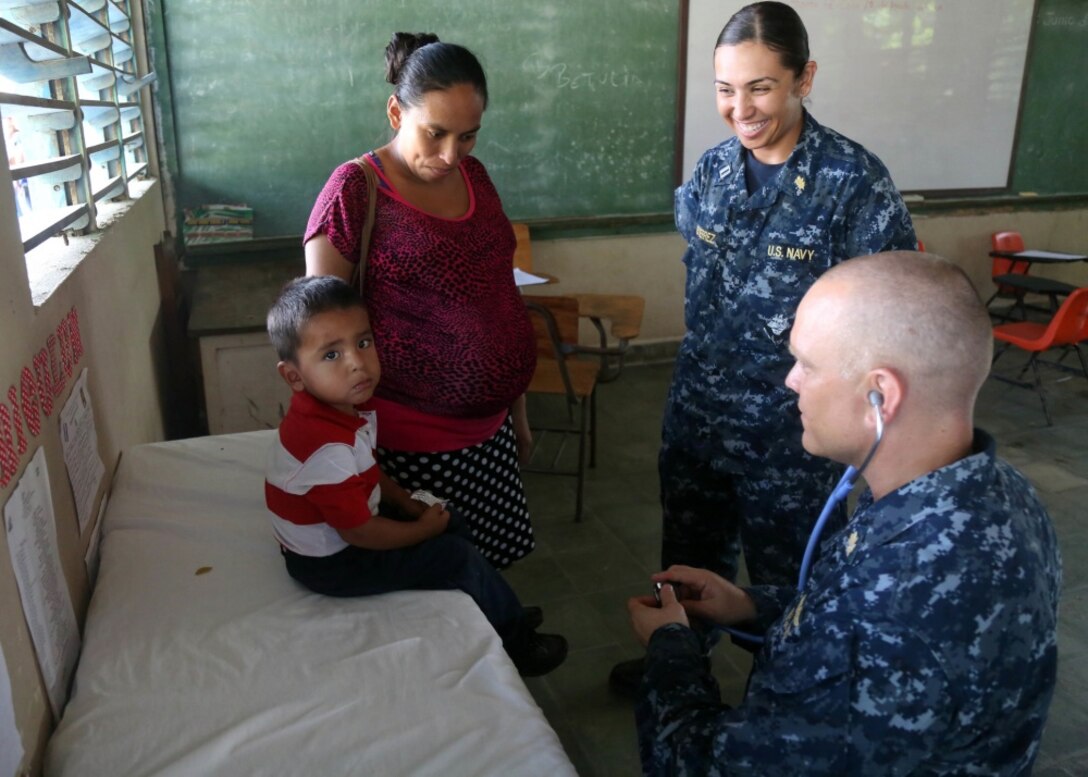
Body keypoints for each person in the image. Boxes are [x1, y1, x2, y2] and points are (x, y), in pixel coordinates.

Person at [627, 251, 1062, 775]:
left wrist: (670, 647)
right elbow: (841, 609)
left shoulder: (889, 616)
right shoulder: (994, 489)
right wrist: (746, 605)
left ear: (880, 395)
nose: (791, 381)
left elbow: (705, 766)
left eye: (806, 364)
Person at [611, 1, 918, 693]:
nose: (739, 108)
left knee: (786, 579)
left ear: (803, 78)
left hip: (794, 433)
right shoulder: (714, 171)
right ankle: (678, 665)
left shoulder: (854, 183)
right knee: (686, 557)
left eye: (760, 87)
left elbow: (889, 312)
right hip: (699, 417)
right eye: (725, 89)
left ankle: (777, 697)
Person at [304, 32, 536, 570]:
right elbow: (321, 339)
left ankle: (505, 639)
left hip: (489, 435)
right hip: (407, 449)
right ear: (395, 111)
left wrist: (516, 411)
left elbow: (500, 295)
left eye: (469, 137)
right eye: (435, 133)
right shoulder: (354, 190)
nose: (451, 155)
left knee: (485, 578)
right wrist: (357, 461)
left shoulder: (475, 178)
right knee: (433, 592)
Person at [264, 276, 566, 677]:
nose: (356, 361)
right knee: (451, 552)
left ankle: (489, 601)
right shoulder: (326, 448)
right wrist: (422, 530)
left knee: (449, 517)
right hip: (332, 564)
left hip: (349, 532)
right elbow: (360, 533)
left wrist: (410, 503)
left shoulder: (342, 409)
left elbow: (371, 473)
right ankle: (515, 641)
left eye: (363, 342)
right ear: (294, 377)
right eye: (331, 355)